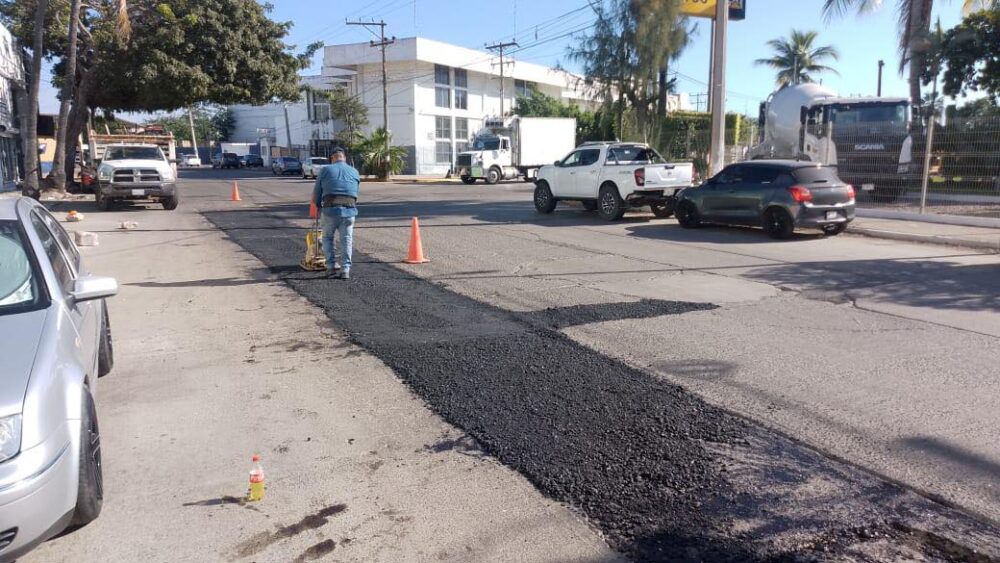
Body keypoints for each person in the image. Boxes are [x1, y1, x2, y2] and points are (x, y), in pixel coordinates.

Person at [312, 147, 360, 280]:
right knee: (346, 240)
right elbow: (355, 193)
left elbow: (316, 193)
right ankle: (345, 270)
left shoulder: (325, 170)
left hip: (330, 210)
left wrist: (317, 205)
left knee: (327, 238)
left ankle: (331, 267)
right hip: (349, 210)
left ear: (332, 158)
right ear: (344, 157)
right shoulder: (354, 171)